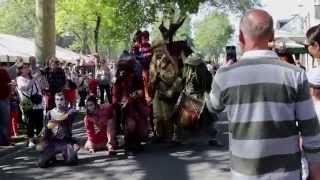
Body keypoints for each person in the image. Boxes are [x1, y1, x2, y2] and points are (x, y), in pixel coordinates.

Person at [206, 9, 320, 180]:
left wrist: (220, 74)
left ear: (241, 37)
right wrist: (315, 174)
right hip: (287, 175)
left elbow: (213, 106)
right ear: (272, 36)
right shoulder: (295, 74)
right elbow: (310, 131)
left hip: (244, 175)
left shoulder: (225, 75)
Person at [112, 58, 149, 155]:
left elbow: (141, 92)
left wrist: (134, 96)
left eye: (124, 69)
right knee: (130, 125)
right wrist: (119, 104)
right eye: (120, 70)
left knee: (142, 129)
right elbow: (115, 96)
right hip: (124, 110)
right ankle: (129, 145)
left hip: (136, 107)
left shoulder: (135, 79)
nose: (122, 72)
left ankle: (137, 143)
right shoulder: (118, 81)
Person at [38, 92, 79, 168]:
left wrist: (56, 120)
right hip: (53, 143)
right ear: (54, 101)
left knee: (72, 161)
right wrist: (42, 142)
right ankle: (51, 156)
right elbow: (46, 129)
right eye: (57, 99)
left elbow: (72, 113)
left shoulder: (70, 111)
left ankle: (71, 151)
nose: (59, 102)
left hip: (65, 142)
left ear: (65, 101)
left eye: (61, 99)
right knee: (41, 163)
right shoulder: (49, 113)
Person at [16, 63, 44, 148]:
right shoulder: (19, 79)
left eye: (27, 67)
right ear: (20, 70)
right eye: (24, 68)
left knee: (39, 122)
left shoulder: (32, 77)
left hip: (37, 101)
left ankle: (40, 139)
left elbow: (41, 87)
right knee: (30, 122)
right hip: (26, 101)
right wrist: (35, 78)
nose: (27, 69)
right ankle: (31, 140)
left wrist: (41, 77)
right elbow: (26, 88)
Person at [0, 63, 11, 146]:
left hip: (4, 98)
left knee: (5, 121)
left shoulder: (3, 71)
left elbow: (9, 82)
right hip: (4, 99)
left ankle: (4, 141)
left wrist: (9, 93)